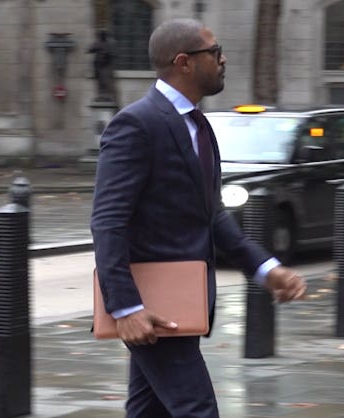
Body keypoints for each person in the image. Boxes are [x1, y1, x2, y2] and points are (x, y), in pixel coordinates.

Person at [90, 18, 307, 418]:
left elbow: (212, 217)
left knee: (149, 410)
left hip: (182, 302)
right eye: (215, 52)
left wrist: (264, 268)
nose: (223, 60)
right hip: (154, 306)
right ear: (184, 62)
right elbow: (108, 220)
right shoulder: (137, 124)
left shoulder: (199, 126)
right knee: (197, 409)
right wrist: (124, 308)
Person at [87, 28, 117, 102]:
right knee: (99, 81)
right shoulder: (97, 43)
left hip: (106, 65)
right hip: (98, 65)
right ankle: (100, 95)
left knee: (106, 80)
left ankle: (107, 95)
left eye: (103, 34)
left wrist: (108, 53)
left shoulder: (110, 43)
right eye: (101, 35)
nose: (102, 36)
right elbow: (89, 50)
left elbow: (114, 54)